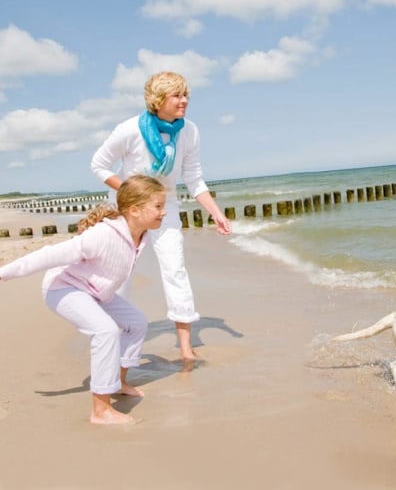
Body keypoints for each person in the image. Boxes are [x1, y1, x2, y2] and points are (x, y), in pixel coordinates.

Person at [0, 174, 167, 425]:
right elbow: (49, 255)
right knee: (106, 331)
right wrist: (4, 273)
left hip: (97, 292)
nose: (164, 212)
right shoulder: (102, 235)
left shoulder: (141, 235)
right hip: (64, 288)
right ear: (134, 210)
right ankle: (100, 410)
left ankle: (119, 382)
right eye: (158, 206)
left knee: (138, 322)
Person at [90, 71, 232, 361]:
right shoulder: (129, 130)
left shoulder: (189, 131)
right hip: (127, 211)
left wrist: (216, 213)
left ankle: (186, 348)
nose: (184, 100)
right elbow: (99, 165)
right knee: (123, 274)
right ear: (158, 100)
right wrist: (133, 192)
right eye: (177, 95)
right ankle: (115, 340)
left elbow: (193, 177)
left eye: (186, 95)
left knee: (175, 270)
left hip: (164, 209)